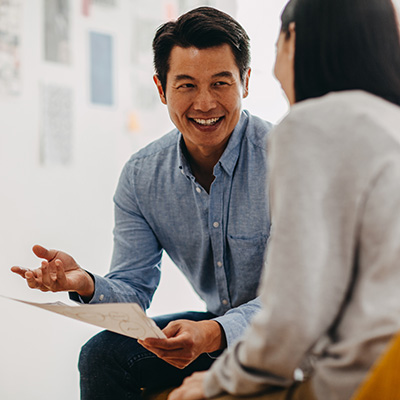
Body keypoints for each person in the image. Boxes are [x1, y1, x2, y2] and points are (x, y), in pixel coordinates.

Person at [11, 6, 274, 399]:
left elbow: (304, 300)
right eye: (186, 85)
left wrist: (214, 331)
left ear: (246, 82)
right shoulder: (142, 176)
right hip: (221, 334)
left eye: (221, 83)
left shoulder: (289, 160)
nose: (204, 104)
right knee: (101, 356)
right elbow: (133, 290)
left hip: (293, 335)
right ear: (160, 88)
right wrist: (83, 282)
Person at [168, 0, 400, 399]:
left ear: (292, 39)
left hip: (370, 376)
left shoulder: (309, 127)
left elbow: (293, 315)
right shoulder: (389, 121)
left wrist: (219, 382)